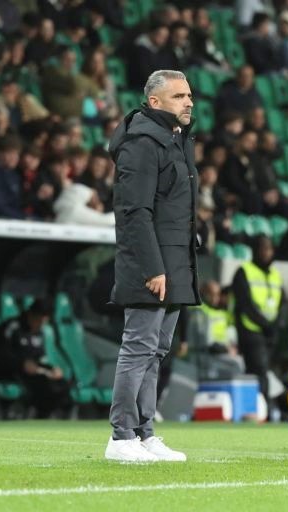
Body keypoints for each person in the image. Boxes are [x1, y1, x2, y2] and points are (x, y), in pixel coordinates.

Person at [105, 70, 200, 462]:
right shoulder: (142, 143)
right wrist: (152, 267)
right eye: (179, 96)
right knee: (138, 347)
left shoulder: (176, 139)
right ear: (155, 102)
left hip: (175, 259)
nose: (188, 102)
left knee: (157, 351)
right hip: (153, 263)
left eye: (189, 95)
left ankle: (144, 433)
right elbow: (134, 211)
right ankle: (120, 435)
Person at [0, 297, 72, 419]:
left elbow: (40, 359)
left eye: (45, 320)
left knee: (62, 384)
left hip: (33, 373)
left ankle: (45, 417)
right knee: (47, 386)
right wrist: (21, 364)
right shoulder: (11, 328)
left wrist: (52, 368)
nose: (41, 324)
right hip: (9, 371)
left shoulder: (38, 332)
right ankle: (35, 416)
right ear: (31, 315)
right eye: (39, 320)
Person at [231, 236, 283, 412]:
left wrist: (274, 327)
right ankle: (265, 411)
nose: (266, 252)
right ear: (255, 250)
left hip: (270, 332)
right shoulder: (243, 271)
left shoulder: (275, 274)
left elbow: (281, 303)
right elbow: (245, 305)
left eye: (269, 248)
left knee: (265, 371)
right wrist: (265, 325)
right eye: (263, 248)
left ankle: (255, 409)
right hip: (251, 331)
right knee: (259, 370)